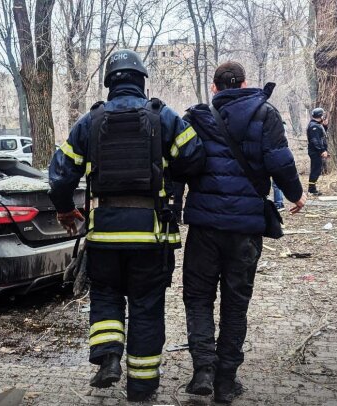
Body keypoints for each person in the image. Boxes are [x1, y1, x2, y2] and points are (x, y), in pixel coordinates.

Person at [48, 49, 205, 402]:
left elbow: (60, 175)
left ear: (109, 84)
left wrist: (63, 211)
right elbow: (195, 157)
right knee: (146, 307)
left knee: (105, 296)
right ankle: (142, 386)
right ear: (141, 80)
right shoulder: (162, 116)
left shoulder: (90, 122)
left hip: (103, 233)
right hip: (150, 235)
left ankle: (108, 359)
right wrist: (169, 170)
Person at [182, 61, 306, 403]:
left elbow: (181, 164)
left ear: (215, 87)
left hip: (205, 227)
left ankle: (203, 370)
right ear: (244, 82)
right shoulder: (266, 114)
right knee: (235, 305)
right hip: (246, 227)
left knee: (198, 298)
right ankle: (226, 381)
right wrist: (296, 194)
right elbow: (280, 161)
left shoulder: (198, 118)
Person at [307, 108, 329, 195]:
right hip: (315, 152)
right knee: (315, 170)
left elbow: (321, 135)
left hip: (316, 151)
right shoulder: (314, 126)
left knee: (316, 169)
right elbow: (315, 140)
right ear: (320, 116)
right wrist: (322, 150)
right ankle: (311, 190)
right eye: (322, 115)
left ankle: (312, 189)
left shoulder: (316, 124)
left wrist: (325, 126)